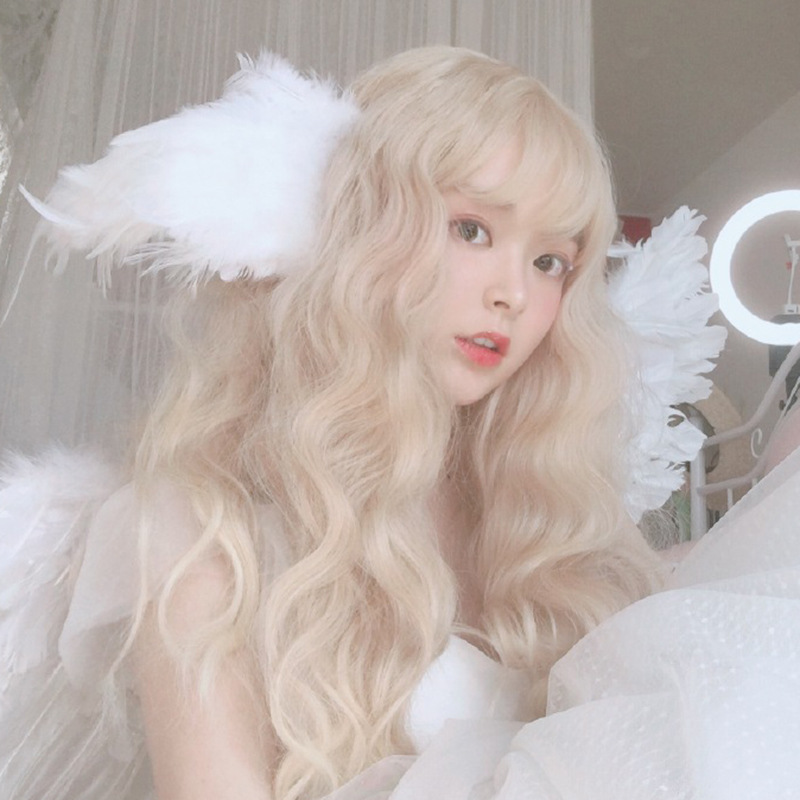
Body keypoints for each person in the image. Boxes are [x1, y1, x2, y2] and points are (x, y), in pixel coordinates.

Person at [6, 46, 774, 800]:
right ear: (360, 228)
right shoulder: (203, 527)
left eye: (551, 262)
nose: (513, 293)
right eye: (472, 229)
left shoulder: (563, 535)